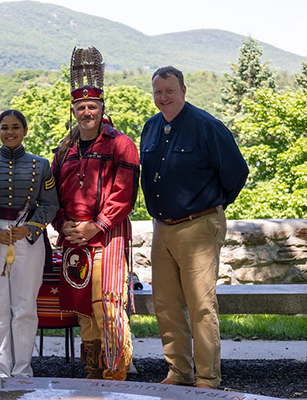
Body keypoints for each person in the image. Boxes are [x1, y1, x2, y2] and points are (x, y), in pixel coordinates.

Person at [140, 66, 248, 389]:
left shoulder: (206, 127)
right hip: (163, 228)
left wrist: (210, 209)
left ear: (184, 91)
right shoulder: (151, 128)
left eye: (169, 91)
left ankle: (207, 378)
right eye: (158, 92)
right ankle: (179, 371)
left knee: (201, 305)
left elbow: (236, 174)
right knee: (166, 303)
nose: (163, 98)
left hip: (199, 225)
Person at [51, 46, 140, 381]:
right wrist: (64, 225)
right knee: (84, 309)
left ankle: (115, 372)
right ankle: (92, 370)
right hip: (74, 239)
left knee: (107, 305)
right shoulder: (65, 149)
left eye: (92, 106)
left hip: (107, 236)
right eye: (81, 107)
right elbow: (53, 193)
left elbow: (124, 193)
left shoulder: (120, 144)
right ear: (73, 110)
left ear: (102, 108)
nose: (86, 112)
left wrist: (96, 225)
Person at [0, 110, 58, 377]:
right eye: (4, 127)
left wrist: (28, 228)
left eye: (15, 127)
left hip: (27, 239)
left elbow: (50, 203)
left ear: (25, 130)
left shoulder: (40, 165)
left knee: (25, 305)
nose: (10, 132)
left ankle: (22, 369)